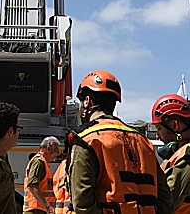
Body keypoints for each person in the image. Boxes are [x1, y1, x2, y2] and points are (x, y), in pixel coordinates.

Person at [69, 70, 174, 214]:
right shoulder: (143, 141)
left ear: (87, 101)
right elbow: (165, 198)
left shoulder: (88, 139)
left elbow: (82, 203)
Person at [150, 94, 190, 214]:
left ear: (174, 125)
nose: (157, 136)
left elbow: (167, 202)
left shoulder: (189, 159)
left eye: (159, 128)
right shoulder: (182, 154)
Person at [25, 136, 61, 214]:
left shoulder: (44, 163)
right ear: (48, 148)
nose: (57, 153)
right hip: (35, 211)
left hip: (39, 210)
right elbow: (32, 185)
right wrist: (48, 207)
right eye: (56, 150)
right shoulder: (39, 162)